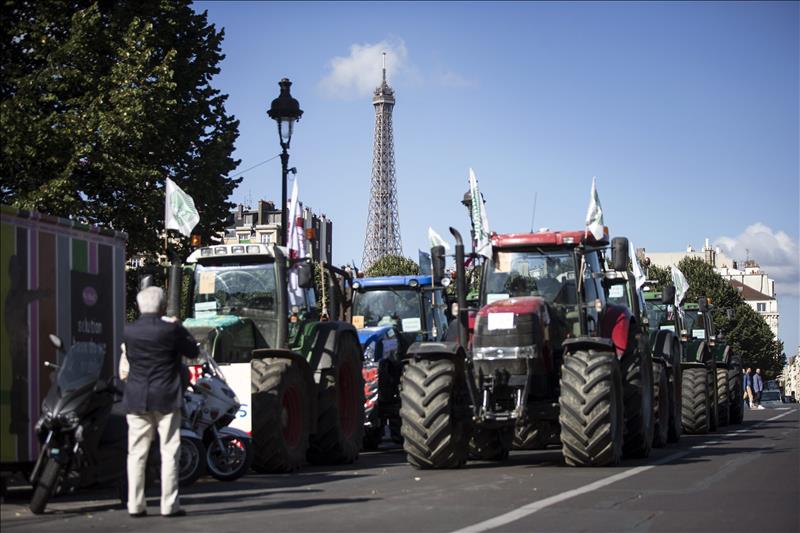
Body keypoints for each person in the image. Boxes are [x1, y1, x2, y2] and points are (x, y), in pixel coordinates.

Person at [122, 286, 198, 518]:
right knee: (169, 452)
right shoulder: (171, 330)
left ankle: (135, 504)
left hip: (136, 397)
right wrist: (179, 326)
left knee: (136, 453)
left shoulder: (128, 331)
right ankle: (169, 505)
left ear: (139, 306)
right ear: (162, 306)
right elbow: (193, 351)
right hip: (166, 397)